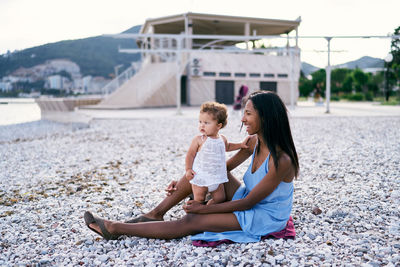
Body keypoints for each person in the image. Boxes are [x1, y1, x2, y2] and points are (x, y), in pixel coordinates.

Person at [84, 90, 299, 243]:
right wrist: (186, 182)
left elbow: (248, 203)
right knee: (199, 173)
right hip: (245, 197)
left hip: (264, 216)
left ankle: (114, 228)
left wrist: (204, 208)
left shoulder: (281, 160)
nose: (242, 119)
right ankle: (155, 214)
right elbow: (218, 169)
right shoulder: (253, 142)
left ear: (266, 117)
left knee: (193, 220)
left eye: (249, 113)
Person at [185, 101, 249, 205]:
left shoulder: (222, 139)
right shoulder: (199, 139)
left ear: (218, 126)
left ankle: (208, 208)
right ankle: (194, 212)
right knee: (199, 198)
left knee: (220, 198)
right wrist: (188, 169)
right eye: (200, 122)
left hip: (216, 177)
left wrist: (240, 145)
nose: (202, 125)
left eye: (206, 123)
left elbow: (227, 146)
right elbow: (190, 155)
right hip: (200, 176)